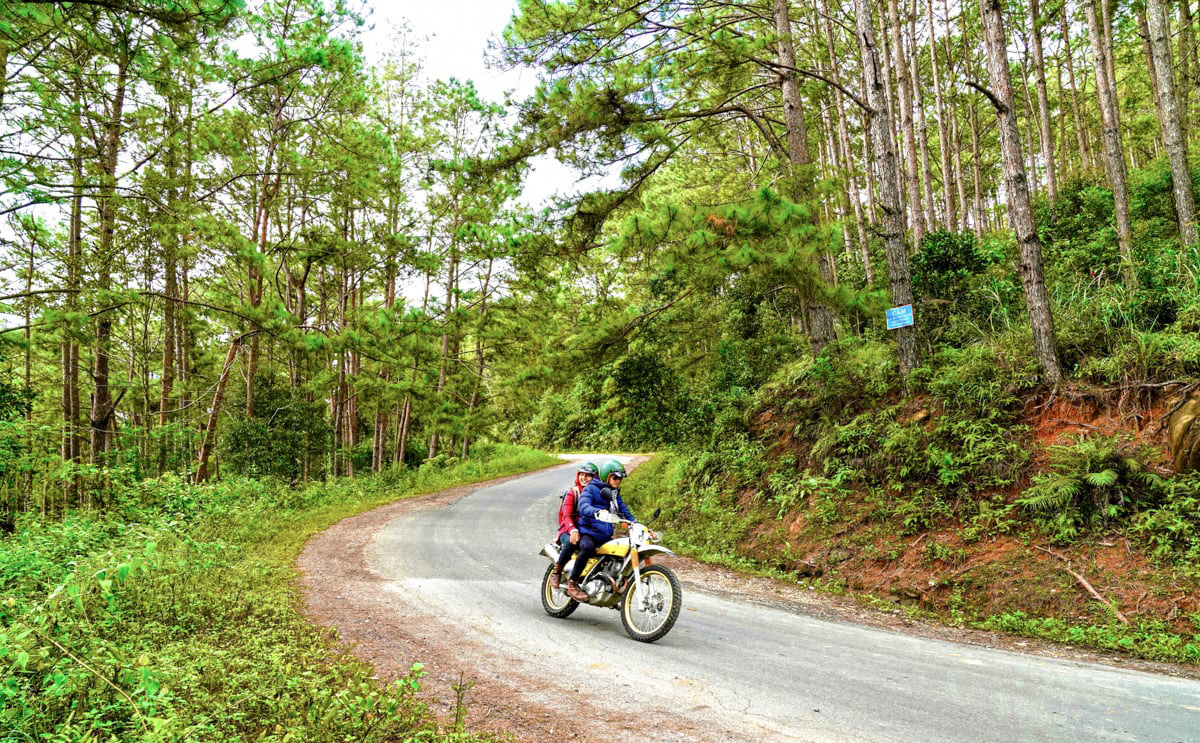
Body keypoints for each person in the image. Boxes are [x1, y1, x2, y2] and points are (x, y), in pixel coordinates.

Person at [565, 459, 635, 602]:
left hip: (604, 534)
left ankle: (611, 590)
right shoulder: (591, 488)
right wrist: (597, 511)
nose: (618, 480)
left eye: (620, 478)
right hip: (588, 531)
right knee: (587, 547)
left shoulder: (615, 494)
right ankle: (573, 583)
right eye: (615, 477)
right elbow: (583, 505)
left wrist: (636, 524)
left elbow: (625, 512)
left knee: (620, 552)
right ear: (606, 476)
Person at [551, 461, 598, 589]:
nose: (584, 478)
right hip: (568, 529)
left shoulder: (597, 494)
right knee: (573, 542)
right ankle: (557, 571)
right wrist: (572, 530)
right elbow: (566, 516)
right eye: (582, 474)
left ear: (595, 478)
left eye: (588, 475)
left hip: (586, 531)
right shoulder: (574, 492)